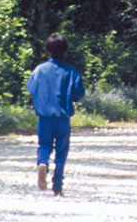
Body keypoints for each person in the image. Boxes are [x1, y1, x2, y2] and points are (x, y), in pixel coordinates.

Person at [26, 34, 85, 196]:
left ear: (47, 51)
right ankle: (57, 185)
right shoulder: (71, 71)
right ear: (65, 51)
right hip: (62, 119)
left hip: (44, 118)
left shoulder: (39, 70)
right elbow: (79, 94)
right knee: (62, 150)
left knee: (44, 145)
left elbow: (31, 88)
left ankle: (42, 164)